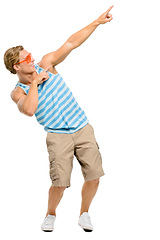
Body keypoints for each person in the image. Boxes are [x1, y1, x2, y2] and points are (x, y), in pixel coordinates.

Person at [4, 5, 113, 232]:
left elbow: (71, 43)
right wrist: (35, 82)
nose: (33, 60)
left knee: (94, 176)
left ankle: (84, 213)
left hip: (82, 128)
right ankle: (50, 214)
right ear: (17, 66)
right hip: (57, 136)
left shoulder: (46, 64)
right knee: (60, 183)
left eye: (31, 55)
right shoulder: (18, 91)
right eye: (28, 58)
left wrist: (97, 22)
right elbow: (29, 110)